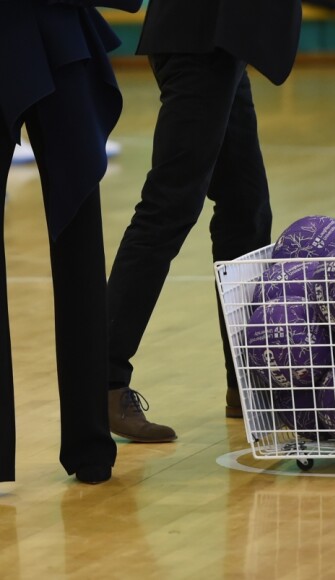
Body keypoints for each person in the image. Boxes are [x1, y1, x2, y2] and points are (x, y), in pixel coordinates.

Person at [106, 0, 303, 440]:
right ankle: (103, 383)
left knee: (246, 212)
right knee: (169, 207)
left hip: (224, 40)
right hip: (201, 33)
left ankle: (247, 383)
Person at [0, 0, 143, 484]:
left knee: (79, 235)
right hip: (51, 26)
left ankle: (90, 444)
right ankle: (89, 448)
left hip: (55, 27)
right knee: (79, 237)